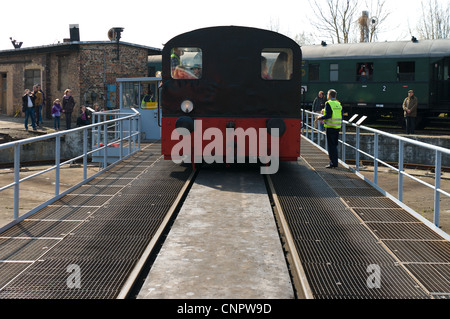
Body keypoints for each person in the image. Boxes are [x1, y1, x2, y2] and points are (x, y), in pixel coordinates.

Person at [317, 89, 343, 168]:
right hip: (337, 127)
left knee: (331, 146)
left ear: (329, 95)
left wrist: (320, 117)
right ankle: (335, 162)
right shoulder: (338, 103)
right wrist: (324, 111)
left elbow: (329, 115)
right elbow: (336, 113)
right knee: (335, 145)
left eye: (327, 94)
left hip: (330, 127)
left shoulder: (328, 103)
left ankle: (333, 163)